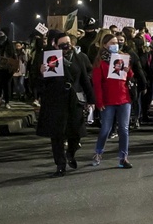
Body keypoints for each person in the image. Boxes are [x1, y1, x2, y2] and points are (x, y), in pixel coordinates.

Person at [36, 31, 95, 176]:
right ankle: (60, 164)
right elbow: (36, 83)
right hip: (55, 100)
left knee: (76, 132)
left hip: (74, 99)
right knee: (57, 135)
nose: (66, 48)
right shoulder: (47, 58)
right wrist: (42, 73)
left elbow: (85, 80)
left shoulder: (79, 57)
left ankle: (71, 152)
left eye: (68, 45)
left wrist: (91, 100)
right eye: (62, 46)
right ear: (55, 45)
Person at [91, 32, 134, 168]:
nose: (116, 45)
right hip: (108, 100)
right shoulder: (100, 62)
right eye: (112, 43)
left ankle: (123, 157)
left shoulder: (123, 58)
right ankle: (98, 152)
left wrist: (129, 70)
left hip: (123, 98)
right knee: (106, 129)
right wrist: (99, 101)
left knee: (124, 129)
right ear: (105, 45)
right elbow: (97, 83)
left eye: (117, 42)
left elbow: (129, 76)